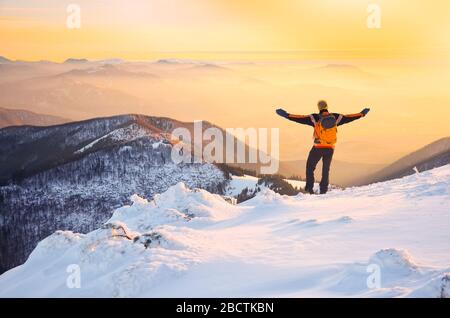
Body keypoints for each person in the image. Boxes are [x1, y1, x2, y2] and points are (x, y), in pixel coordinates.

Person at [276, 100, 370, 194]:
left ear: (318, 108)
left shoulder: (314, 118)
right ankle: (323, 190)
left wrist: (286, 115)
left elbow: (300, 118)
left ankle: (309, 188)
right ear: (327, 107)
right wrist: (362, 114)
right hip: (330, 148)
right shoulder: (336, 117)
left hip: (318, 147)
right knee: (326, 170)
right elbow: (349, 117)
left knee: (310, 167)